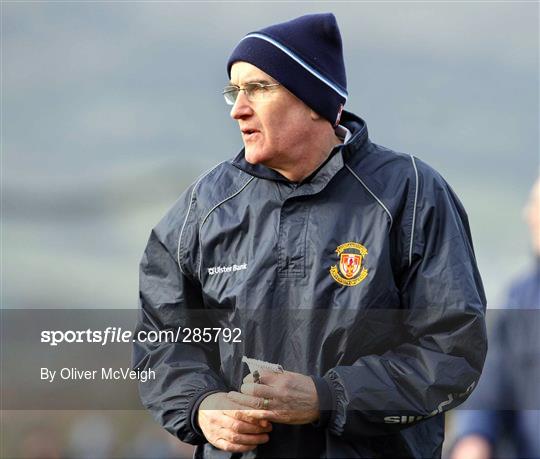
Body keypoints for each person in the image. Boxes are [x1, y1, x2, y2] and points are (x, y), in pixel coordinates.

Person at [132, 13, 487, 458]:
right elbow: (163, 340)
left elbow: (453, 352)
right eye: (233, 91)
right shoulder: (203, 208)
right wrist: (201, 406)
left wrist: (328, 397)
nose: (239, 107)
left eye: (258, 88)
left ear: (314, 100)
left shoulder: (410, 193)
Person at [450, 179, 540, 459]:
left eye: (537, 205)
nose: (528, 215)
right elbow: (488, 396)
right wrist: (472, 440)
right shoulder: (521, 298)